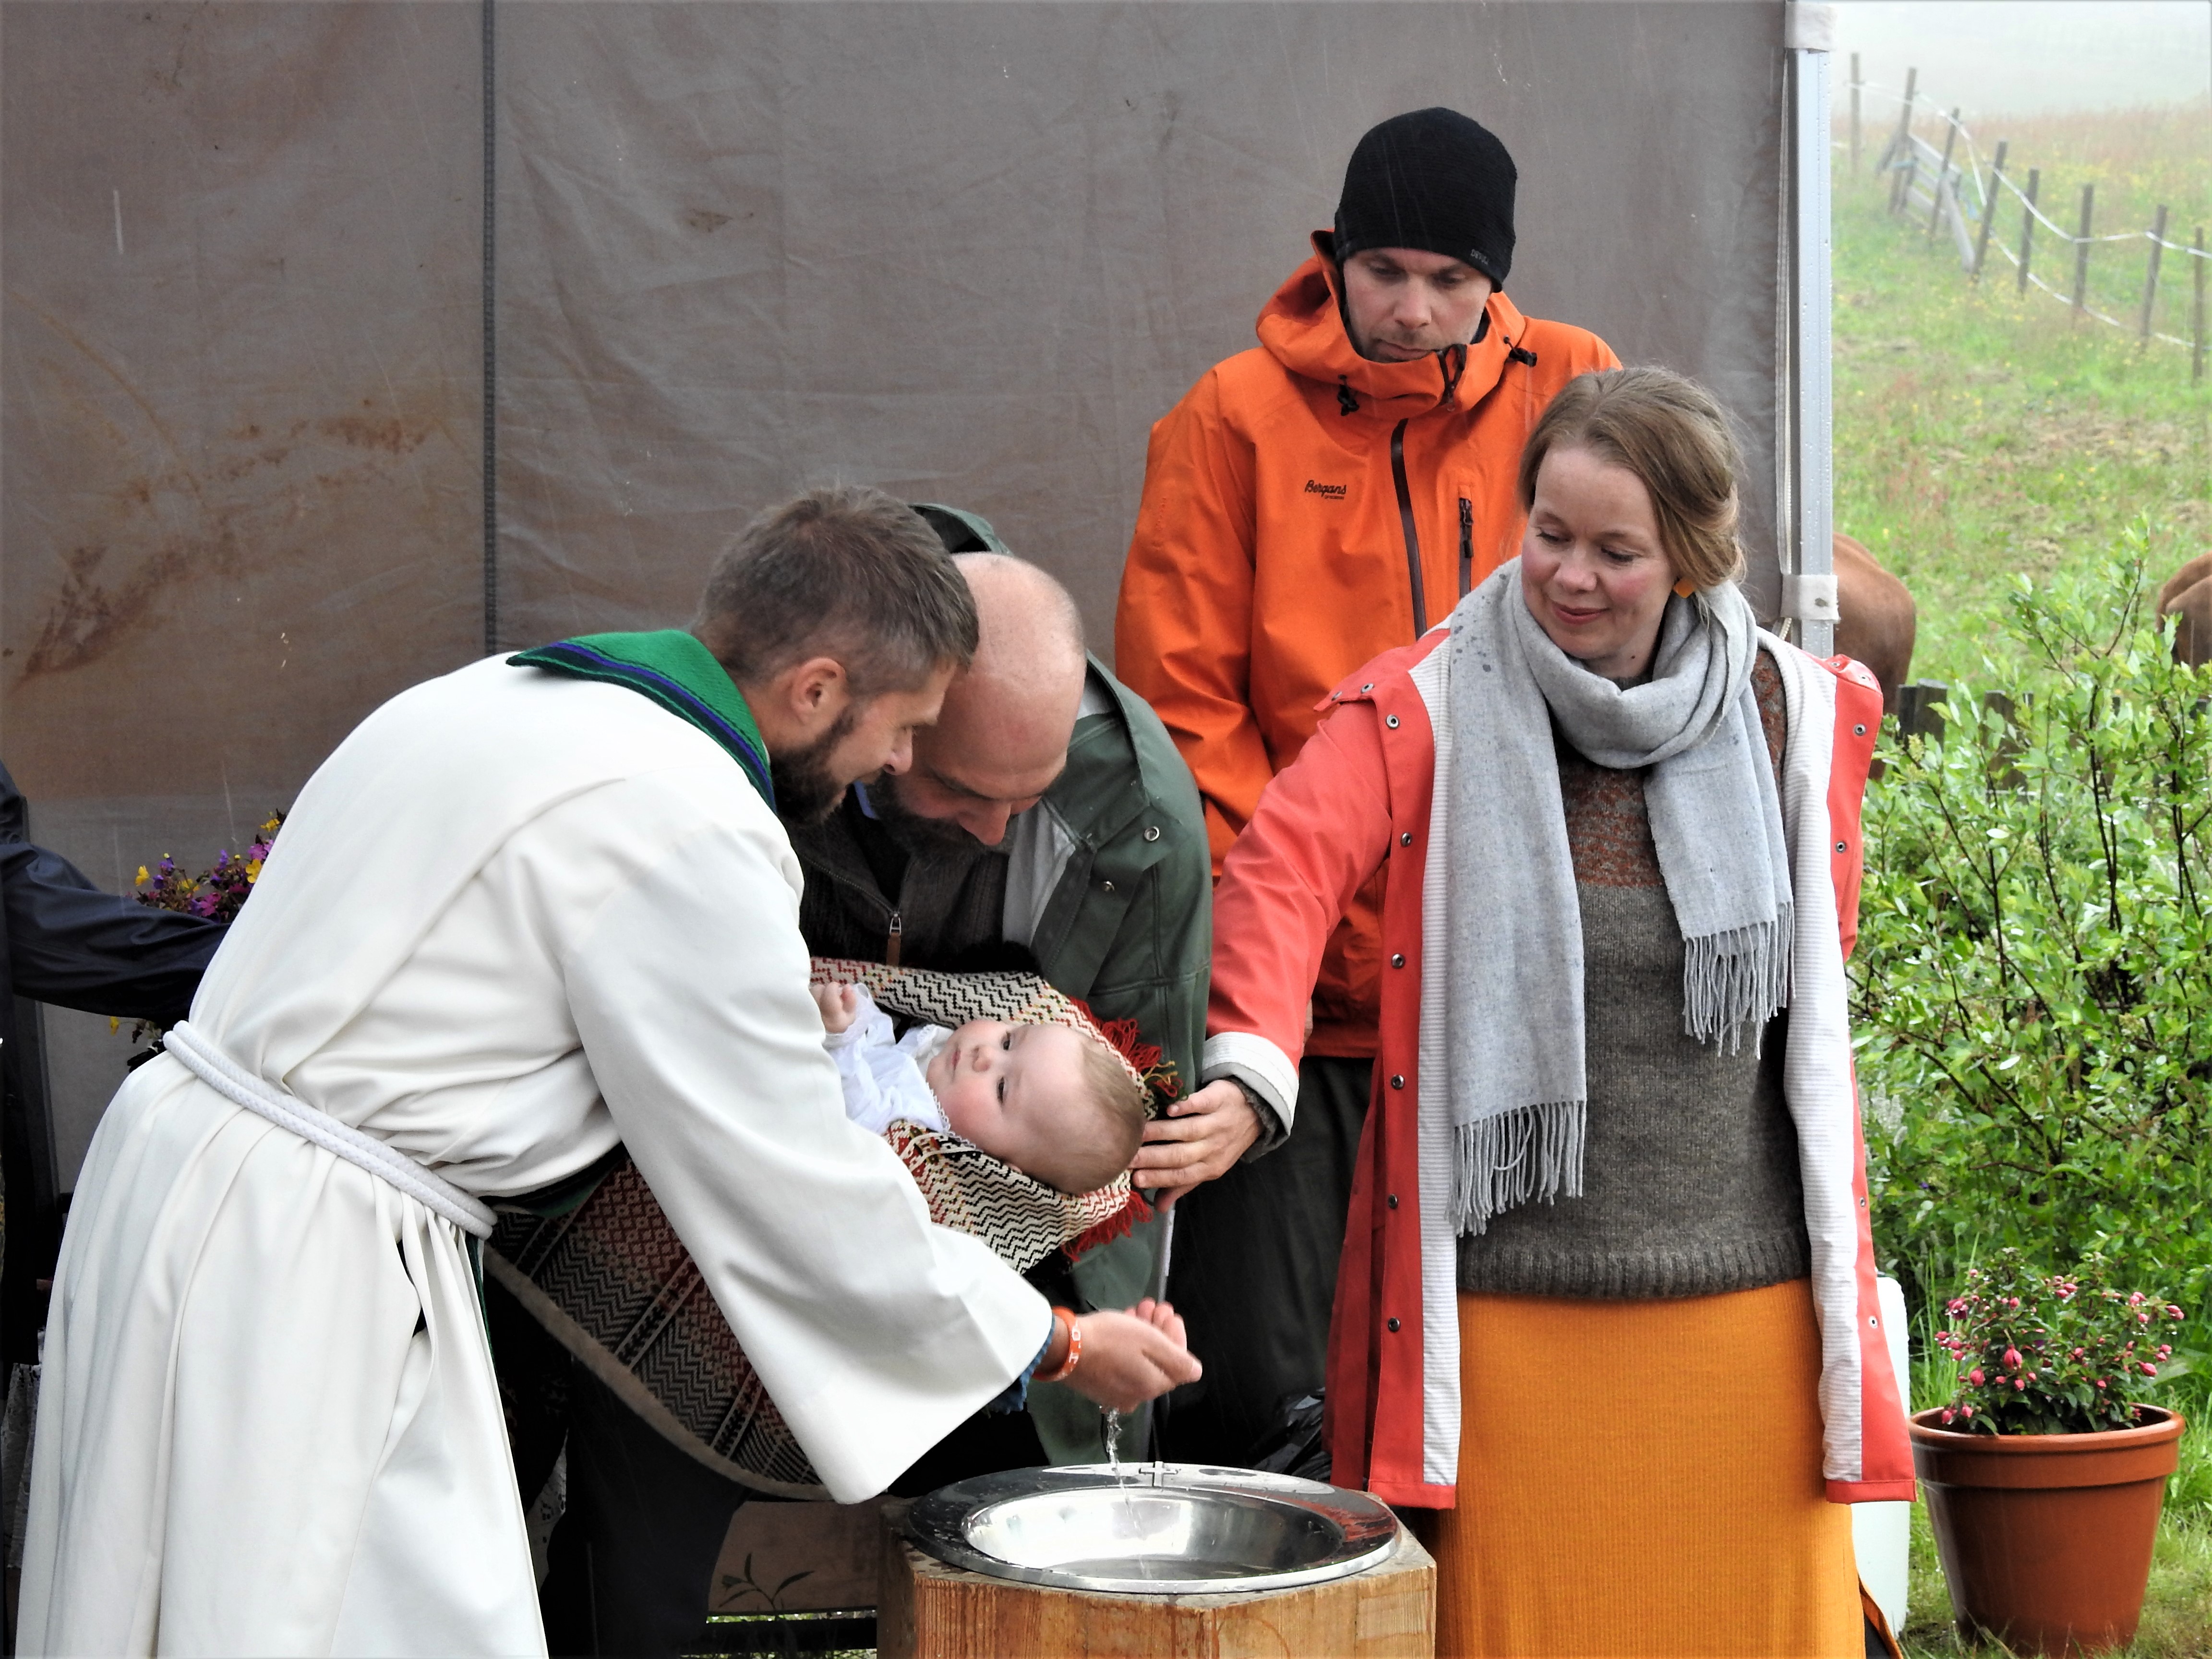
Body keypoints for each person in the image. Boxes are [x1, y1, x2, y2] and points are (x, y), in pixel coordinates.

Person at [20, 484, 1199, 1658]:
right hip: (296, 1265)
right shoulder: (688, 823)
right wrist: (1056, 1340)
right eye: (901, 727)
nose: (898, 762)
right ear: (817, 688)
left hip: (181, 1191)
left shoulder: (495, 696)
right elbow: (791, 1188)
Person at [1196, 369, 1911, 1655]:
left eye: (1616, 550)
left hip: (1746, 1321)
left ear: (1692, 558)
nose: (1572, 576)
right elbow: (1279, 873)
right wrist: (1252, 1067)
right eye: (1551, 535)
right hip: (1506, 1327)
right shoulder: (1427, 700)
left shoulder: (1797, 713)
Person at [1113, 107, 1621, 1466]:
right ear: (1333, 253)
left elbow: (1631, 639)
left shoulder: (1575, 387)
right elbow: (1183, 714)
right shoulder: (1230, 419)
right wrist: (1321, 934)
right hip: (1304, 997)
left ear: (1496, 280)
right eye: (1386, 270)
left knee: (1495, 1358)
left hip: (1513, 981)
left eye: (1453, 280)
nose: (1414, 309)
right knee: (1264, 1381)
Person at [791, 511, 1210, 1456]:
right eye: (967, 793)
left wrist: (1094, 1377)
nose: (995, 834)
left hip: (994, 1295)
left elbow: (1113, 1146)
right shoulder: (785, 725)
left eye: (1030, 799)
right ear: (893, 725)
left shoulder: (1132, 817)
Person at [814, 979, 1146, 1195]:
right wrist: (854, 1009)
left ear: (1000, 1165)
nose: (985, 1055)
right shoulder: (940, 1049)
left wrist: (842, 1039)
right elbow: (884, 1046)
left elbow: (856, 1113)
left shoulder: (923, 1133)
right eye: (1008, 1041)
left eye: (1002, 1089)